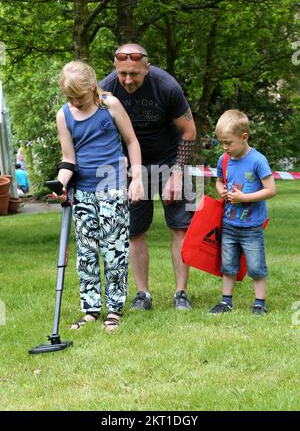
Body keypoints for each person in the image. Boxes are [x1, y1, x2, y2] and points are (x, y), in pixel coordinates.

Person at [100, 43, 197, 311]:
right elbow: (100, 132)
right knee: (135, 231)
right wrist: (122, 165)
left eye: (134, 74)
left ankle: (181, 293)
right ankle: (143, 294)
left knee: (180, 227)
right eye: (122, 74)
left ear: (147, 67)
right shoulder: (105, 89)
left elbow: (189, 131)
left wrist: (177, 172)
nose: (128, 80)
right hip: (131, 167)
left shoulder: (166, 86)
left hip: (170, 161)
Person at [55, 60, 143, 331]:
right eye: (69, 97)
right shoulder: (64, 115)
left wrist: (137, 178)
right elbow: (68, 158)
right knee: (87, 253)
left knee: (114, 251)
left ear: (92, 87)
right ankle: (91, 309)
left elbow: (131, 141)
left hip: (113, 187)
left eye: (79, 96)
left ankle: (114, 309)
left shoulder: (110, 105)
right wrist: (60, 185)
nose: (75, 102)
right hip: (83, 191)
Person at [210, 109, 276, 315]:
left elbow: (271, 190)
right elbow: (219, 182)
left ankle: (259, 302)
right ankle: (226, 301)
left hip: (252, 227)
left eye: (228, 142)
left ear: (244, 137)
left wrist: (243, 198)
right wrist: (222, 191)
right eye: (222, 142)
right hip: (229, 224)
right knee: (228, 265)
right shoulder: (224, 159)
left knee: (256, 267)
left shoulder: (258, 160)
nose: (224, 147)